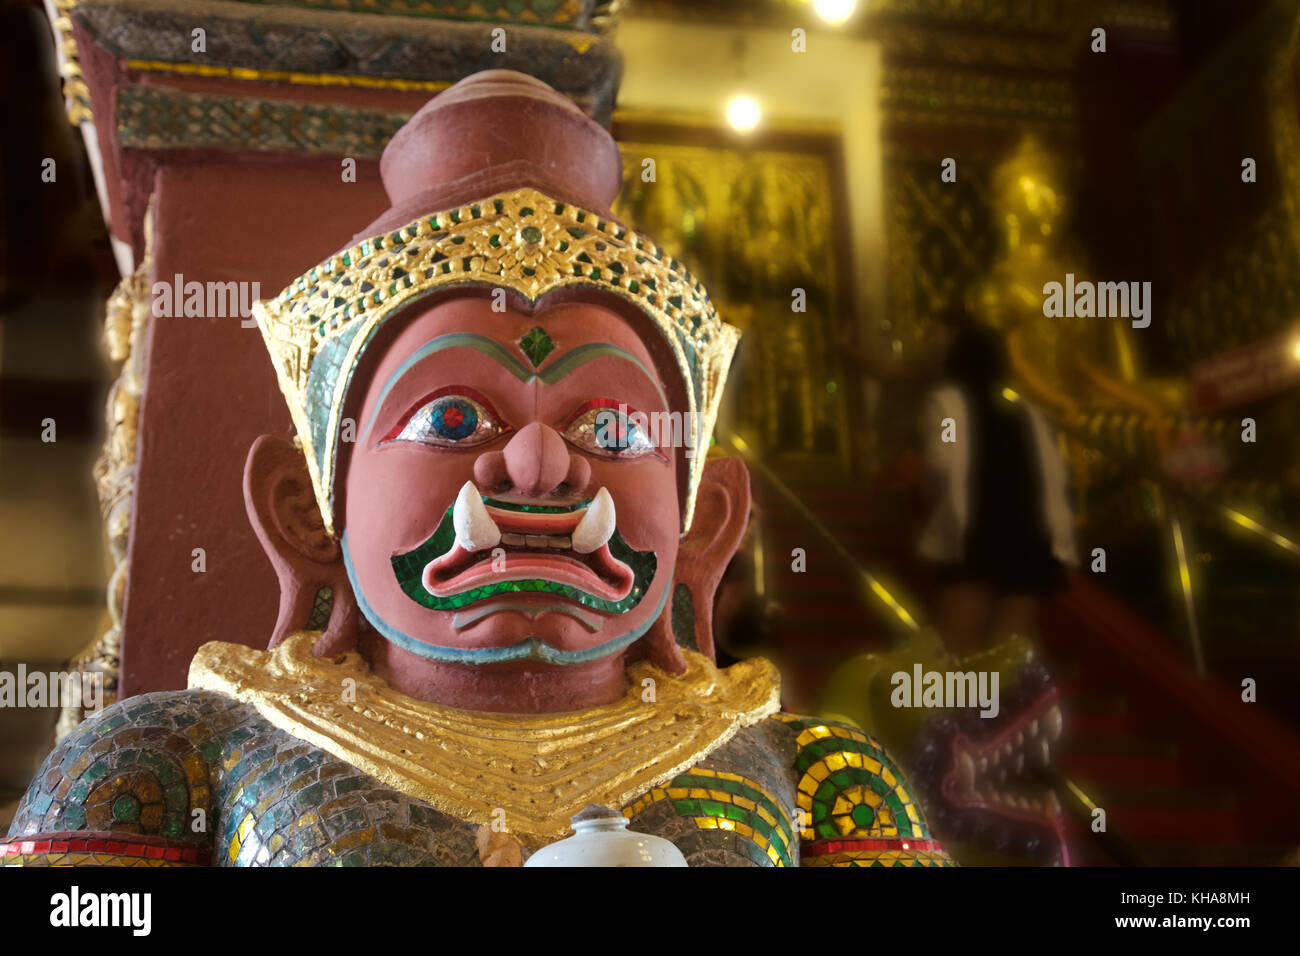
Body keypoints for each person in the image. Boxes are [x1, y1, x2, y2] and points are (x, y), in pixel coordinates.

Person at [918, 310, 1078, 658]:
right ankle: (1006, 711)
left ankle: (966, 710)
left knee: (961, 641)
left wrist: (932, 514)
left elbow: (941, 463)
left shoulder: (947, 404)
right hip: (1031, 535)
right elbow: (1056, 471)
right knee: (1011, 648)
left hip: (973, 533)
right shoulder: (1029, 411)